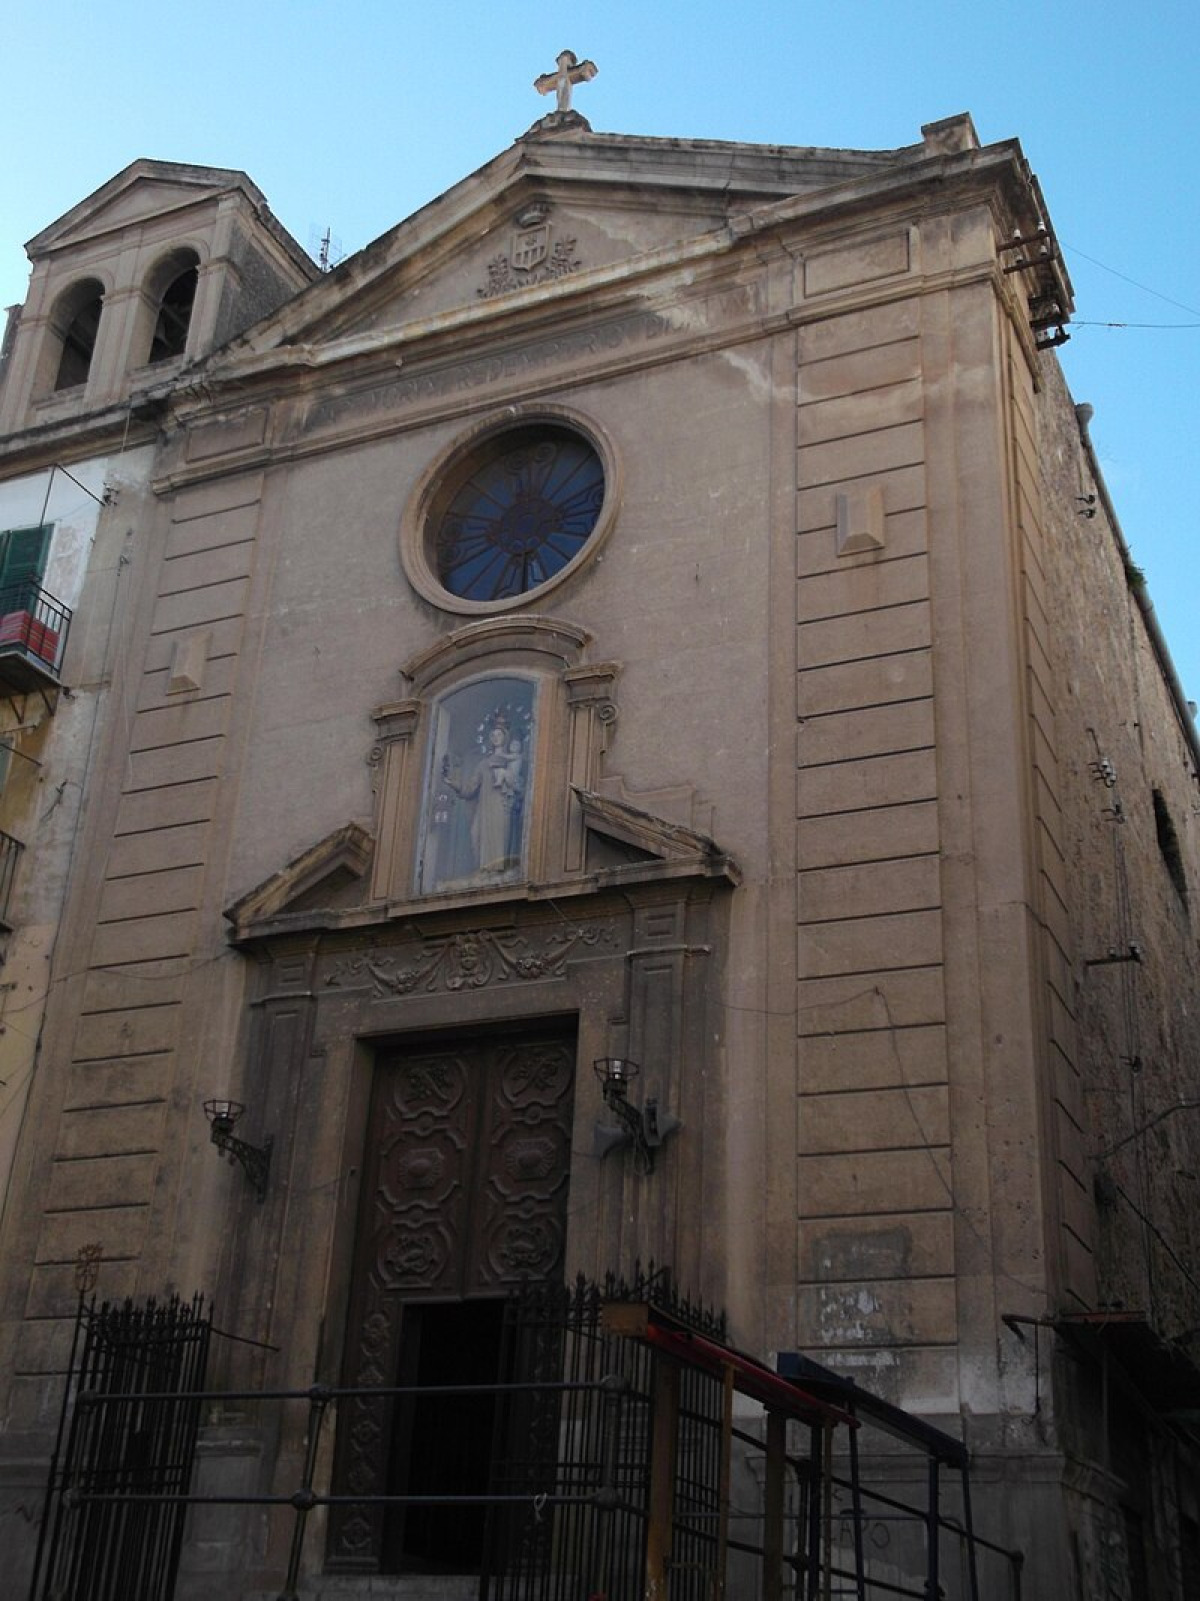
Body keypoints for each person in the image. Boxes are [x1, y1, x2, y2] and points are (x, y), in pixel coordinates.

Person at [445, 720, 525, 875]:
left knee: (499, 839)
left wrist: (505, 775)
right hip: (484, 809)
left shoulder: (511, 759)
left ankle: (498, 872)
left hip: (501, 807)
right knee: (476, 836)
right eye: (493, 735)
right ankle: (483, 871)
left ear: (505, 737)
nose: (495, 737)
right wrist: (453, 784)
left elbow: (518, 783)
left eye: (499, 734)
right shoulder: (483, 764)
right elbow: (470, 789)